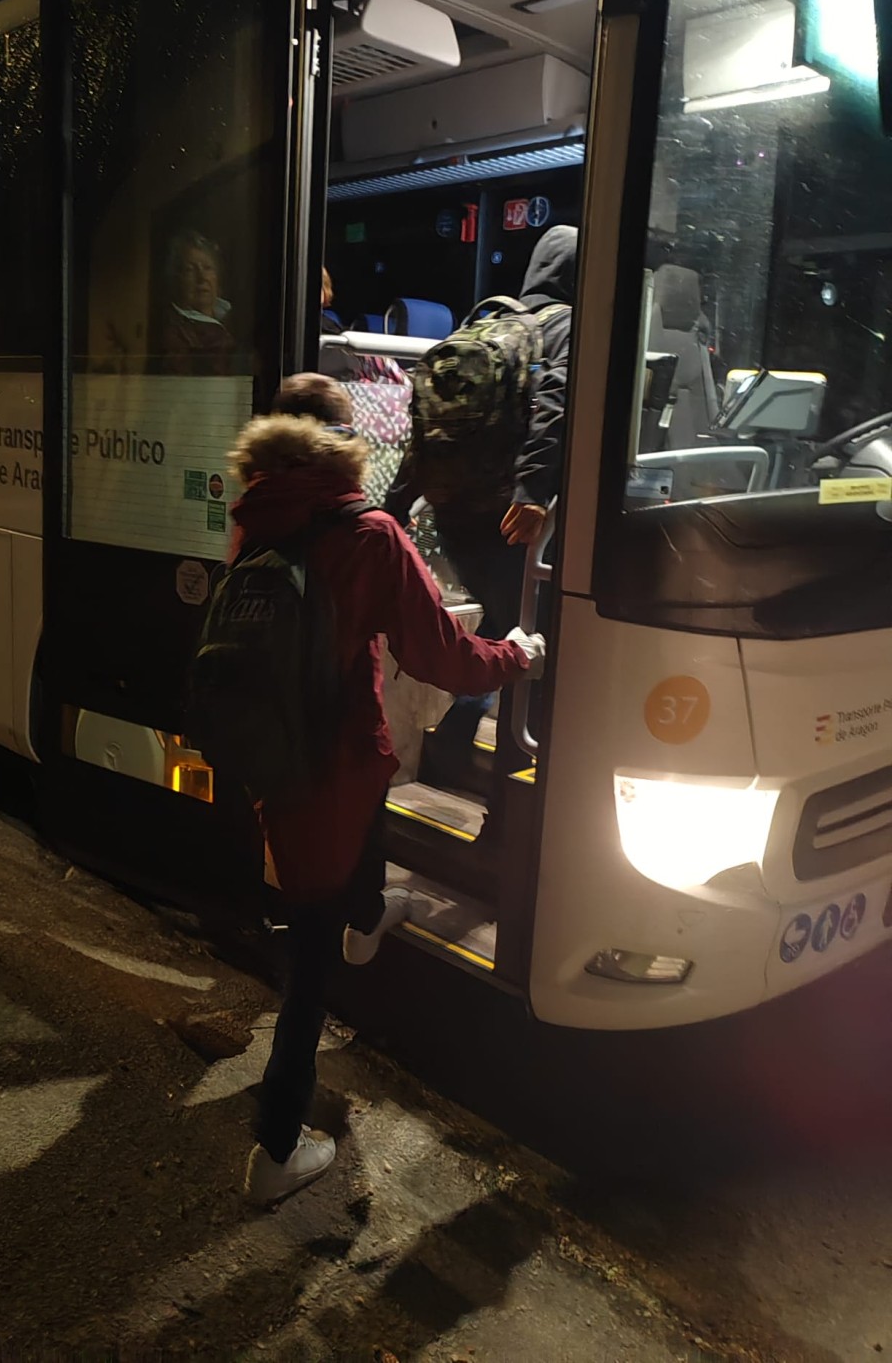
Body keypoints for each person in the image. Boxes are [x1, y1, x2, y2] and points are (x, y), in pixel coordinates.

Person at [229, 400, 541, 1204]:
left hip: (278, 757)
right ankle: (275, 1149)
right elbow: (443, 655)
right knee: (309, 963)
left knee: (339, 866)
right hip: (333, 767)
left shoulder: (257, 520)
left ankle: (366, 915)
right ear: (346, 452)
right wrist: (519, 653)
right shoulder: (370, 535)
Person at [384, 224, 577, 810]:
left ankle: (452, 747)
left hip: (452, 510)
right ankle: (517, 787)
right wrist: (534, 490)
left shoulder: (484, 322)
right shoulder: (564, 324)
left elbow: (429, 429)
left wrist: (394, 506)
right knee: (531, 638)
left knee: (498, 622)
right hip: (511, 512)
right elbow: (556, 404)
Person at [161, 228, 234, 374]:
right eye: (190, 270)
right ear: (177, 280)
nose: (202, 278)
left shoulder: (236, 320)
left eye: (208, 268)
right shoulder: (174, 333)